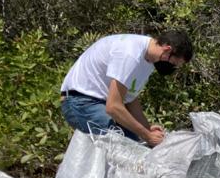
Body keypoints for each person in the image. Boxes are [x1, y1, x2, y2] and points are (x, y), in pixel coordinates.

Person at [59, 31, 192, 146]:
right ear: (167, 49)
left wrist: (147, 128)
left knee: (136, 144)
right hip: (81, 101)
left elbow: (130, 99)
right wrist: (146, 135)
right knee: (121, 146)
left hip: (99, 102)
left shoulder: (148, 61)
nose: (172, 67)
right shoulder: (131, 55)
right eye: (174, 63)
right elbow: (113, 107)